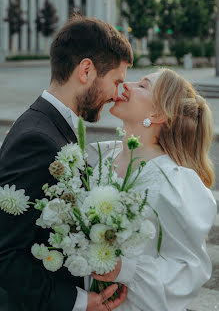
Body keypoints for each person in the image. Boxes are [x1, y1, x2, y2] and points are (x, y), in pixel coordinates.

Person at [0, 16, 133, 311]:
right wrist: (78, 302)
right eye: (116, 81)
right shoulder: (36, 139)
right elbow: (5, 254)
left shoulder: (50, 125)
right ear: (86, 70)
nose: (115, 95)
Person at [90, 68, 217, 311]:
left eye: (142, 85)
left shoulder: (173, 181)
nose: (127, 84)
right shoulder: (104, 156)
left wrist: (123, 269)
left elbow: (188, 268)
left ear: (158, 114)